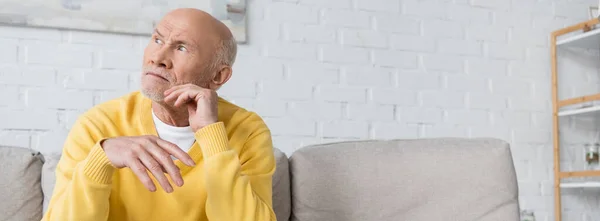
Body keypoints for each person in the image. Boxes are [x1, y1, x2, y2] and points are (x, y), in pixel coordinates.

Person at [42, 8, 276, 221]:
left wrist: (211, 134)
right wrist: (101, 160)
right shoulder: (98, 124)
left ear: (218, 76)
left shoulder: (248, 130)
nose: (157, 58)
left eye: (182, 48)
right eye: (157, 40)